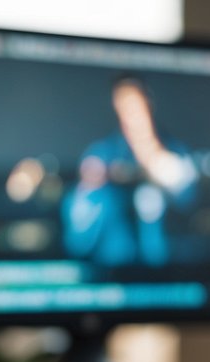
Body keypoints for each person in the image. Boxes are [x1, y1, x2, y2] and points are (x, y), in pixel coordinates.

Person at [63, 75, 198, 267]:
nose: (131, 113)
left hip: (171, 276)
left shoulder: (176, 152)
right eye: (124, 105)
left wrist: (162, 167)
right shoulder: (101, 155)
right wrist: (91, 191)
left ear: (148, 103)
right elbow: (77, 240)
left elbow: (191, 202)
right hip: (114, 275)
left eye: (136, 103)